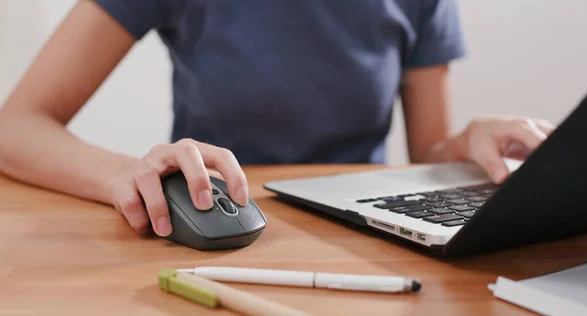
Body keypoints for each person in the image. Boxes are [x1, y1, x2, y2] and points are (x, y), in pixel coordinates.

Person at [0, 0, 554, 238]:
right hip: (218, 223)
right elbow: (15, 126)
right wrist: (126, 175)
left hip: (364, 235)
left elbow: (429, 151)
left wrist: (469, 140)